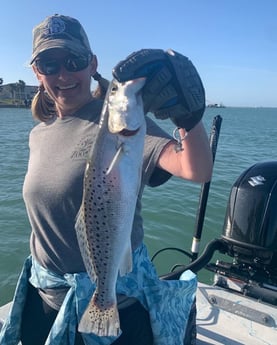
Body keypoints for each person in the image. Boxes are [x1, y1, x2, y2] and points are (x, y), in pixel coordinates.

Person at [0, 14, 212, 345]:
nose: (64, 73)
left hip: (118, 303)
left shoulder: (121, 129)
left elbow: (196, 169)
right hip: (45, 302)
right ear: (36, 72)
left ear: (92, 63)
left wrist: (188, 117)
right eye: (50, 63)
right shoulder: (39, 134)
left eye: (74, 60)